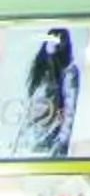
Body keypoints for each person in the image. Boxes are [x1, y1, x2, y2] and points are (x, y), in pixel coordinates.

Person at [20, 30, 79, 159]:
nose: (53, 44)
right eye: (51, 40)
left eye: (58, 41)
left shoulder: (68, 71)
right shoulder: (38, 68)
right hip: (29, 138)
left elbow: (70, 109)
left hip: (50, 141)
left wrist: (62, 142)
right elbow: (28, 103)